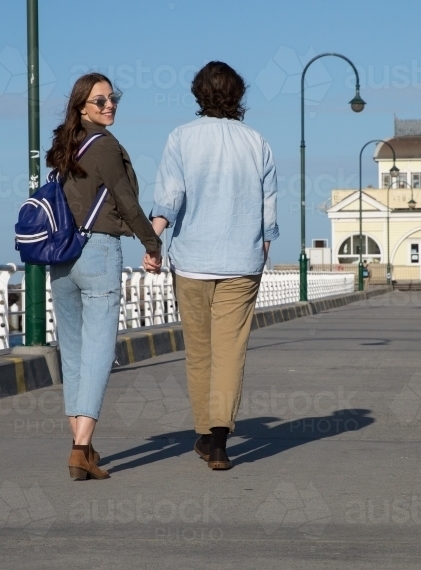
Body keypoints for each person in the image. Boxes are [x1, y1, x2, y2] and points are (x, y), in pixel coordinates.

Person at [149, 61, 277, 470]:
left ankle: (204, 433)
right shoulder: (257, 142)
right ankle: (219, 442)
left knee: (199, 352)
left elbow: (171, 196)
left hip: (192, 261)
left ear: (197, 93)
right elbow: (267, 206)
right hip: (242, 260)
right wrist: (264, 245)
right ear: (238, 95)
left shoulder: (181, 138)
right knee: (230, 352)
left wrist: (153, 238)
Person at [46, 72, 163, 480]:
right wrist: (153, 245)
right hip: (97, 252)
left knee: (74, 356)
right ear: (82, 107)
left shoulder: (64, 145)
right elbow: (127, 204)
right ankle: (80, 449)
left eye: (113, 98)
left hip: (60, 257)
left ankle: (84, 446)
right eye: (100, 101)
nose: (109, 105)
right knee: (97, 354)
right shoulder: (106, 146)